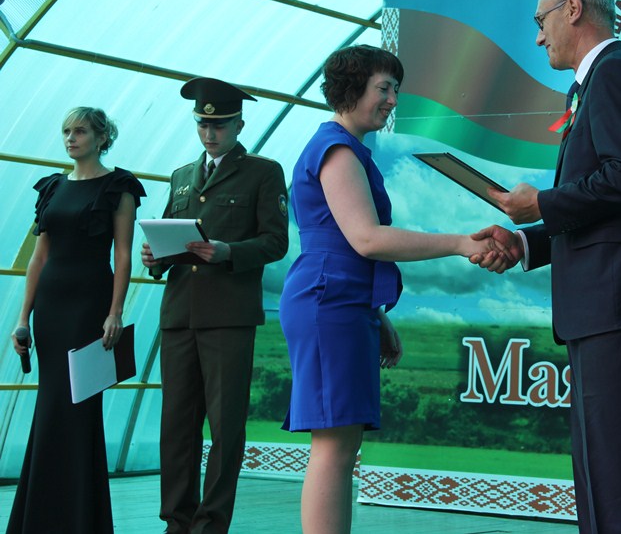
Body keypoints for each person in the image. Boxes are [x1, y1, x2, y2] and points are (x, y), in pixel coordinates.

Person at [472, 0, 621, 534]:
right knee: (600, 469)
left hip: (617, 301)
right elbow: (606, 205)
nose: (538, 36)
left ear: (572, 9)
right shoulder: (598, 81)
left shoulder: (615, 73)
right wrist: (525, 240)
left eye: (540, 21)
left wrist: (542, 202)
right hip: (606, 302)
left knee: (612, 474)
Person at [278, 45, 508, 534]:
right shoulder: (338, 150)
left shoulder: (344, 147)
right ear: (351, 89)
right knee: (333, 446)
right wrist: (458, 243)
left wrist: (376, 314)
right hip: (328, 300)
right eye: (383, 88)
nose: (392, 100)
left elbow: (348, 242)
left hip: (340, 299)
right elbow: (367, 239)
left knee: (342, 444)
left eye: (395, 90)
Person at [141, 78, 289, 534]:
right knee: (176, 426)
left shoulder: (264, 172)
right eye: (203, 125)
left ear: (239, 125)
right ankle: (177, 521)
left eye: (220, 125)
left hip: (228, 317)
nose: (210, 133)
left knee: (225, 428)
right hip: (179, 315)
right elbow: (171, 237)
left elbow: (276, 242)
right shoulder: (182, 176)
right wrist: (155, 259)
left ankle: (211, 524)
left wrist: (228, 252)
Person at [7, 107, 144, 533]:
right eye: (66, 131)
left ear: (102, 138)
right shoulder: (52, 187)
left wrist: (115, 312)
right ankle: (41, 518)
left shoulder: (119, 187)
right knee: (51, 406)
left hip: (89, 307)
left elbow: (123, 255)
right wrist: (22, 317)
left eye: (80, 131)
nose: (70, 138)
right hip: (50, 310)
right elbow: (38, 258)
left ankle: (81, 521)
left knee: (79, 408)